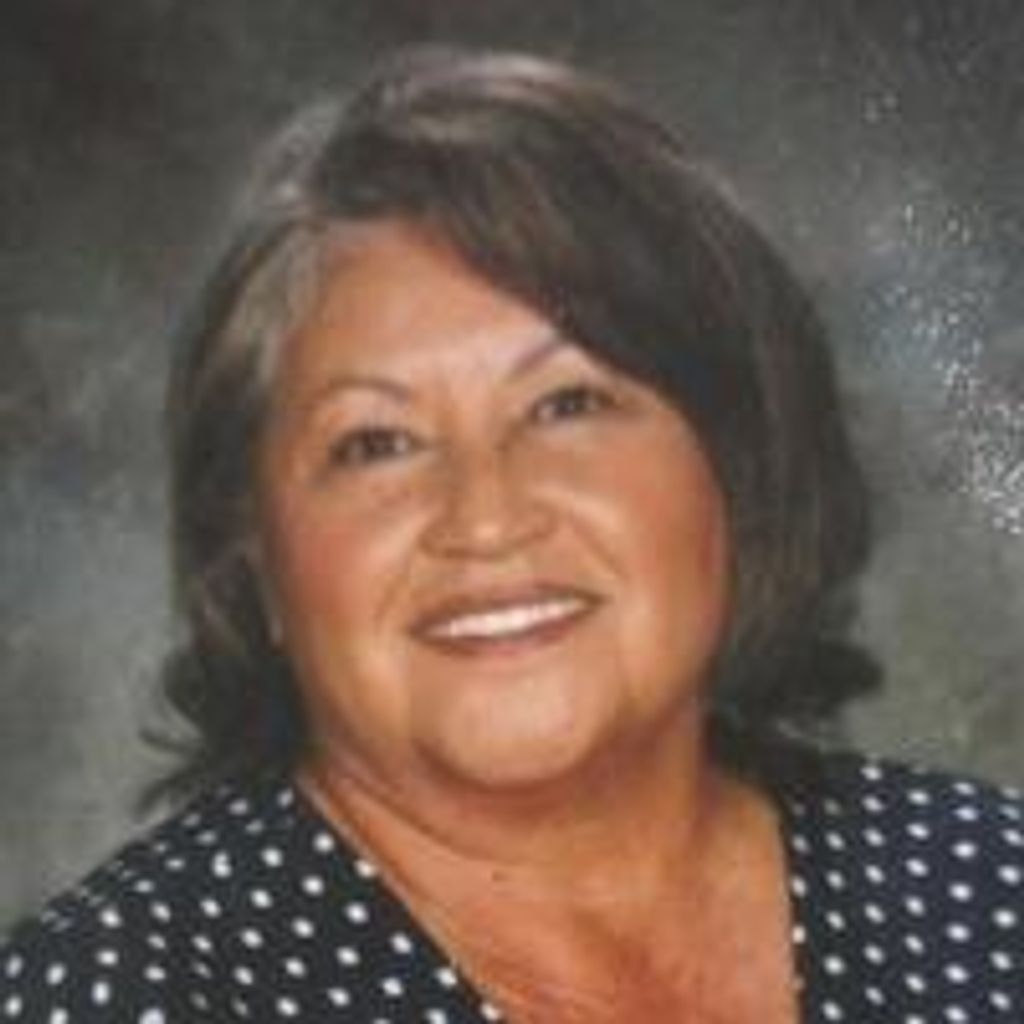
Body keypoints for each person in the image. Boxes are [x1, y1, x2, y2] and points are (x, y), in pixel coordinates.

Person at [1, 46, 1021, 1024]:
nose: (486, 518)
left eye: (567, 404)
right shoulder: (99, 995)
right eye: (376, 443)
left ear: (737, 460)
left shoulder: (981, 886)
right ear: (254, 557)